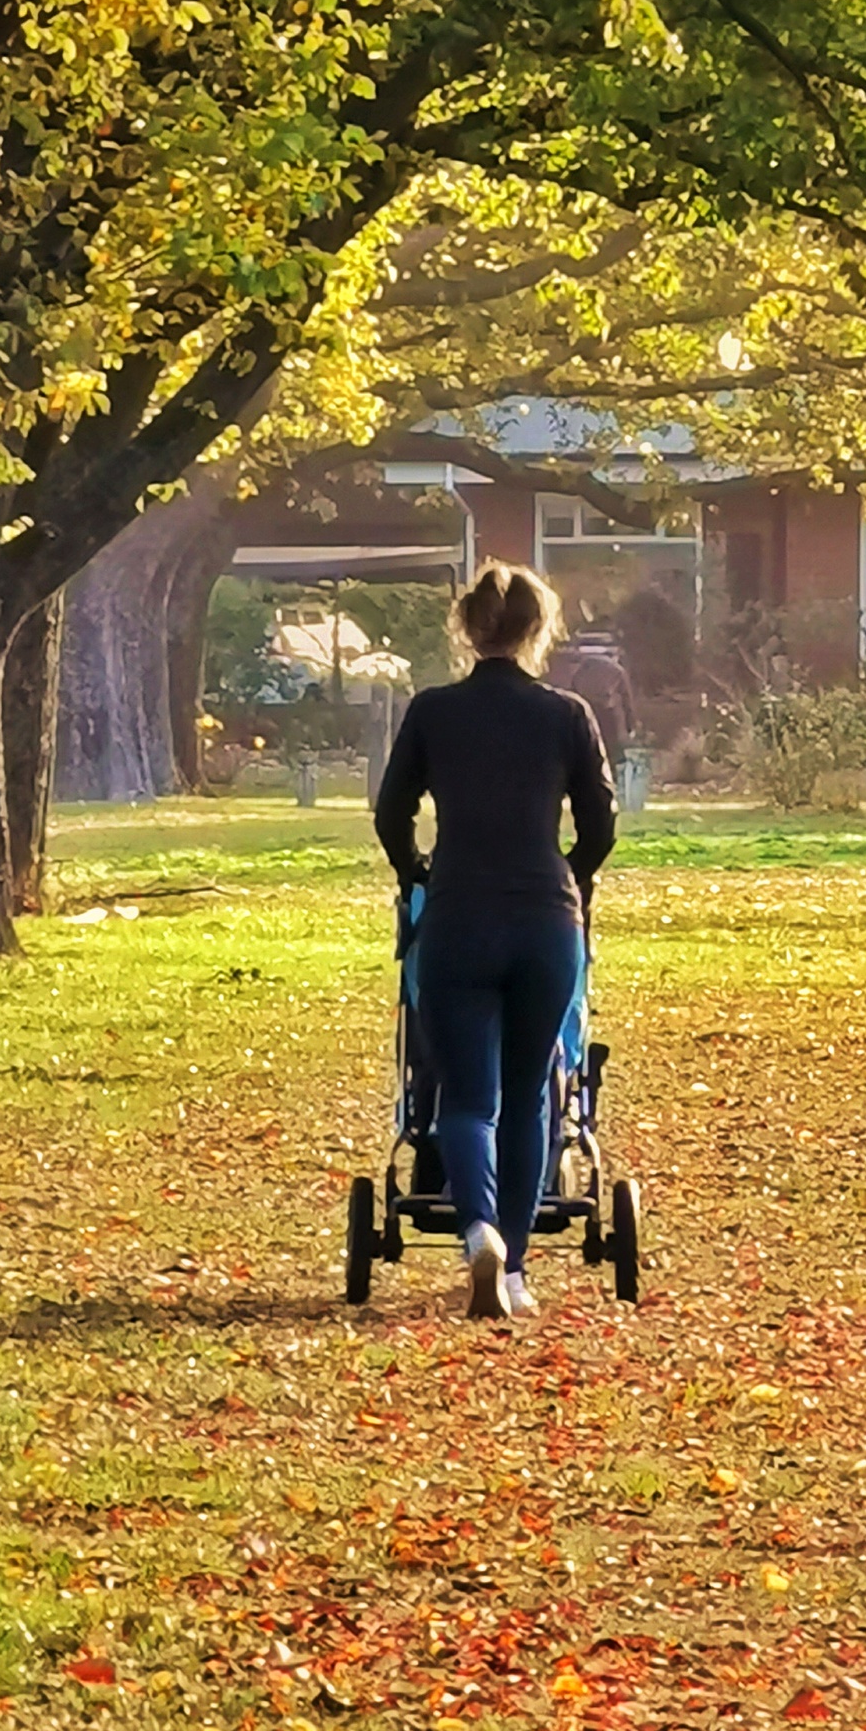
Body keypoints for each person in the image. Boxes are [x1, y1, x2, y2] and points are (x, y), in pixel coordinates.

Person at [373, 563, 616, 1319]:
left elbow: (390, 814)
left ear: (466, 629)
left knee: (467, 1100)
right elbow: (601, 825)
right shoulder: (567, 714)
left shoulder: (433, 712)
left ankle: (477, 1229)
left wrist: (420, 871)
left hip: (458, 918)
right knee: (528, 1098)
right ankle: (514, 1269)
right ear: (538, 630)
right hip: (545, 922)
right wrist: (567, 879)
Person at [547, 628, 637, 767]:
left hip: (588, 711)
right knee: (612, 754)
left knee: (589, 753)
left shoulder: (582, 668)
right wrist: (630, 725)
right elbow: (626, 700)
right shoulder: (617, 670)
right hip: (608, 714)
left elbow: (573, 690)